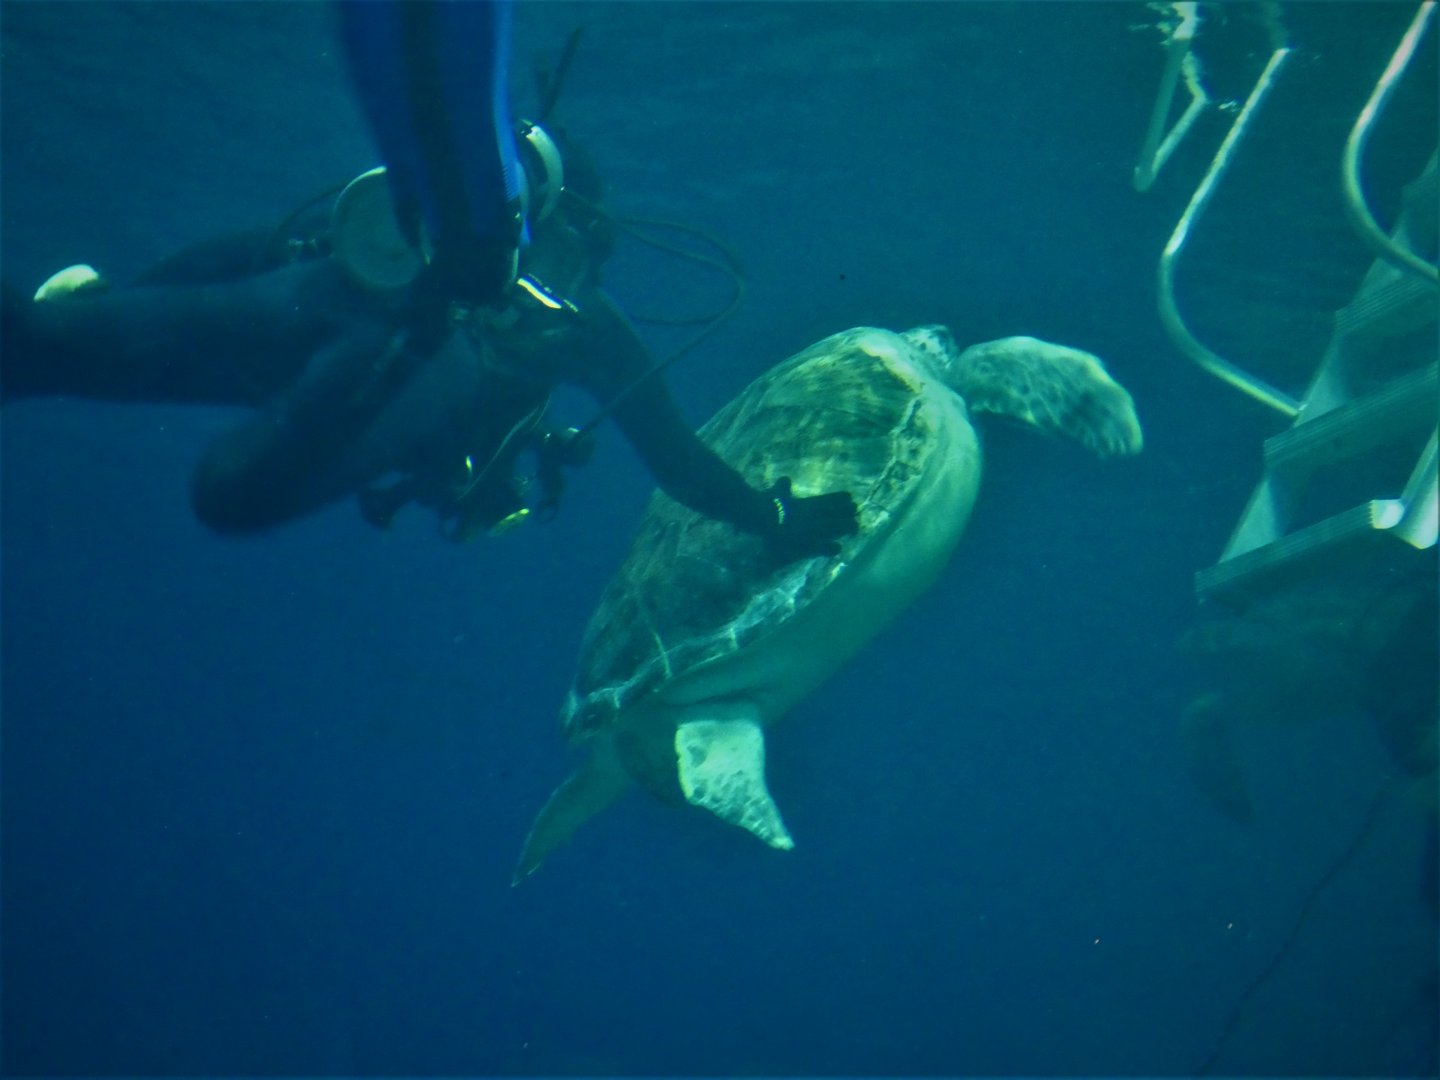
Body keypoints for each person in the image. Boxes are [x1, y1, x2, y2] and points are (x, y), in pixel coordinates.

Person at [1, 1, 858, 558]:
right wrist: (777, 519)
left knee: (40, 345)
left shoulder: (359, 230)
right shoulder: (579, 323)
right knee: (230, 494)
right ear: (576, 230)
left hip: (301, 311)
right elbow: (677, 461)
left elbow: (239, 253)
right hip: (387, 372)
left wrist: (118, 299)